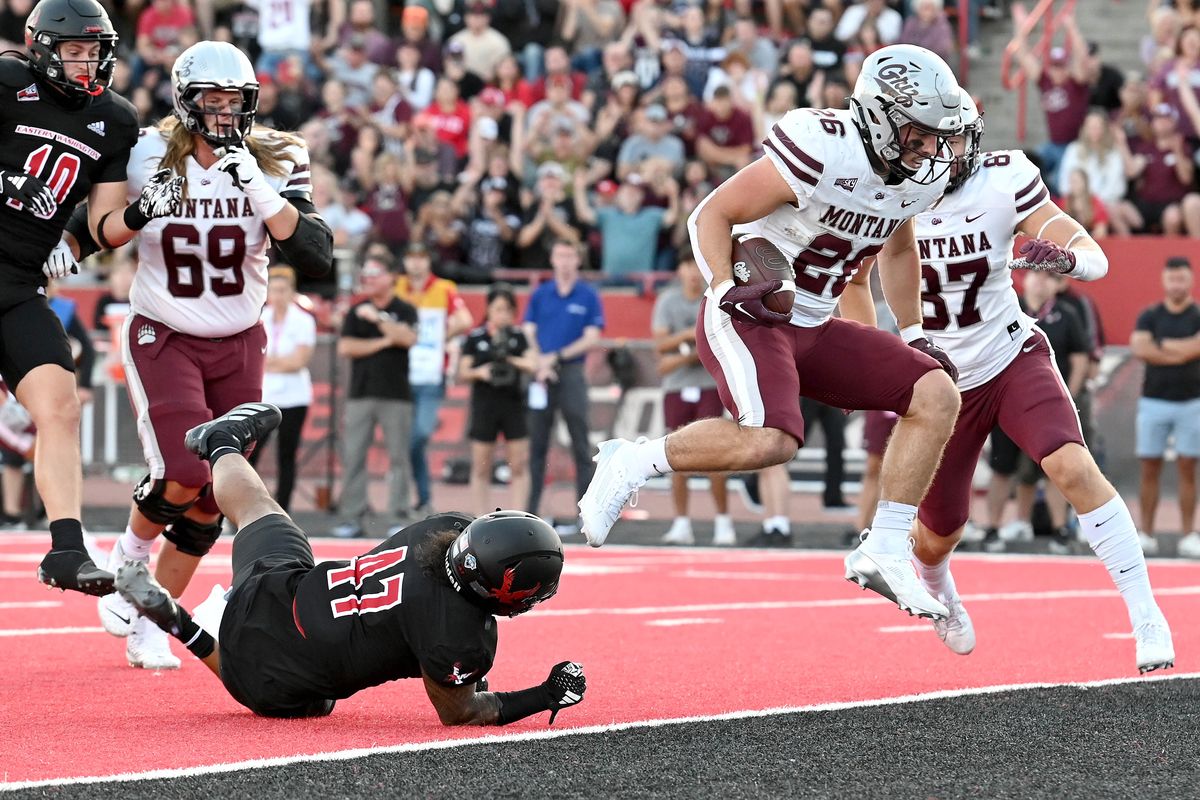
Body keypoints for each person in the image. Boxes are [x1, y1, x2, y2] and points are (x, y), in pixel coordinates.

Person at [580, 44, 964, 624]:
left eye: (939, 134)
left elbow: (898, 247)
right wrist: (721, 285)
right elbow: (709, 214)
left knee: (935, 393)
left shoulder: (913, 180)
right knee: (772, 439)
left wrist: (908, 334)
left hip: (815, 319)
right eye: (921, 131)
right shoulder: (822, 145)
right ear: (883, 116)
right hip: (753, 309)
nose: (933, 147)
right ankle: (633, 461)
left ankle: (885, 547)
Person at [69, 40, 332, 669]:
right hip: (165, 329)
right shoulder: (145, 152)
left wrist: (261, 193)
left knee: (215, 498)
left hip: (240, 337)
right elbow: (88, 228)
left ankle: (146, 617)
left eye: (234, 99)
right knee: (187, 469)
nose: (222, 111)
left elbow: (318, 257)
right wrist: (100, 229)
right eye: (210, 99)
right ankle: (130, 556)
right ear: (186, 101)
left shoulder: (279, 155)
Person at [907, 96, 1173, 673]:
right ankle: (943, 592)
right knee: (937, 536)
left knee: (1071, 466)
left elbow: (1093, 255)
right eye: (927, 138)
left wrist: (1067, 261)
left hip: (1008, 356)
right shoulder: (884, 193)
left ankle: (1146, 612)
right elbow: (852, 280)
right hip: (938, 382)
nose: (938, 152)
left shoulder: (1004, 180)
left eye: (950, 138)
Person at [113, 402, 587, 724]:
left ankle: (221, 446)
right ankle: (178, 623)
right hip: (272, 673)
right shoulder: (457, 631)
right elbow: (461, 712)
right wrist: (544, 695)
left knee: (257, 507)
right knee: (308, 697)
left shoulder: (442, 526)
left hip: (284, 585)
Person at [1, 0, 158, 597]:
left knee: (60, 406)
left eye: (94, 51)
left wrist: (138, 214)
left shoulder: (113, 118)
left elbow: (104, 223)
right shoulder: (7, 82)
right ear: (40, 48)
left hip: (19, 282)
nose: (86, 62)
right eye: (73, 51)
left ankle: (66, 549)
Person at [333, 255, 419, 539]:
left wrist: (379, 320)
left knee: (398, 458)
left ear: (392, 277)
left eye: (375, 274)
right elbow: (346, 348)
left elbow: (407, 338)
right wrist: (385, 340)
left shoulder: (404, 309)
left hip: (396, 395)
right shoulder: (356, 311)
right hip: (360, 394)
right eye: (366, 274)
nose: (368, 280)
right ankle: (352, 516)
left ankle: (397, 515)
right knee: (354, 456)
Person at [653, 254, 736, 547]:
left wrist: (687, 348)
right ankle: (681, 523)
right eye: (686, 266)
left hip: (709, 385)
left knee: (714, 456)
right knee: (675, 456)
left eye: (695, 267)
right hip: (677, 387)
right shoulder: (667, 302)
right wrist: (690, 338)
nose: (691, 273)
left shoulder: (713, 299)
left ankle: (723, 521)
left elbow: (723, 341)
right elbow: (659, 348)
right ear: (679, 269)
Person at [524, 239, 604, 527]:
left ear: (578, 260)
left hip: (570, 371)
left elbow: (592, 336)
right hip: (542, 374)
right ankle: (530, 513)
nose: (566, 261)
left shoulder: (587, 295)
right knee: (537, 446)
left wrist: (555, 357)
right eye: (560, 255)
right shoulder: (541, 294)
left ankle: (586, 514)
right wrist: (540, 362)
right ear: (553, 259)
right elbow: (529, 331)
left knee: (580, 443)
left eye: (570, 256)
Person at [395, 242, 474, 517]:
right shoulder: (397, 287)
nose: (415, 264)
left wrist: (441, 335)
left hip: (429, 374)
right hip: (400, 374)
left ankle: (421, 495)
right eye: (411, 258)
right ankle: (416, 497)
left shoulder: (443, 288)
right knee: (403, 439)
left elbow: (465, 319)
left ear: (428, 262)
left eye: (421, 258)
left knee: (418, 436)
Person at [1130, 257, 1200, 559]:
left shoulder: (1197, 315)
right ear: (1164, 281)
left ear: (1191, 280)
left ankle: (1188, 533)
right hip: (1153, 402)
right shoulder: (1149, 316)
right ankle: (1145, 532)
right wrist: (1183, 350)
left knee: (1188, 468)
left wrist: (1164, 347)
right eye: (1172, 279)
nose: (1176, 285)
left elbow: (1192, 348)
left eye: (1182, 279)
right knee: (1149, 467)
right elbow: (1141, 349)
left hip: (1191, 402)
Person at [459, 284, 536, 515]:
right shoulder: (476, 337)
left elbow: (532, 364)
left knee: (519, 464)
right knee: (481, 466)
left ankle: (520, 515)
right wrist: (480, 371)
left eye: (506, 310)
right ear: (488, 310)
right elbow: (463, 371)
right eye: (496, 309)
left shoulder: (518, 336)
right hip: (485, 404)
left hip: (513, 403)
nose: (501, 314)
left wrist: (510, 359)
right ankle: (480, 517)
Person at [249, 267, 316, 513]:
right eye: (274, 290)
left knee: (286, 455)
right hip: (264, 396)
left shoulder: (303, 319)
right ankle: (247, 506)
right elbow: (250, 357)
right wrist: (277, 362)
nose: (278, 295)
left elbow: (298, 361)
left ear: (291, 292)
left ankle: (283, 510)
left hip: (294, 397)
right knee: (251, 454)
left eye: (283, 290)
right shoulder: (259, 317)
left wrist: (268, 362)